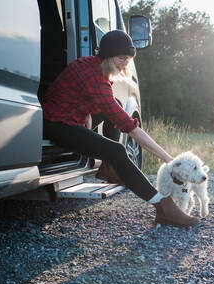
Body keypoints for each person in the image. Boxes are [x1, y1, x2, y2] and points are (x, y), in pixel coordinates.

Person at [41, 30, 198, 227]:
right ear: (107, 56)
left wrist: (87, 114)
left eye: (129, 59)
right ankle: (162, 207)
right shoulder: (95, 77)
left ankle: (110, 167)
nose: (125, 63)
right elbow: (130, 127)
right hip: (56, 124)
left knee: (114, 101)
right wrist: (169, 159)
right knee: (117, 150)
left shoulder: (92, 66)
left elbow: (77, 94)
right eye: (121, 58)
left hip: (68, 115)